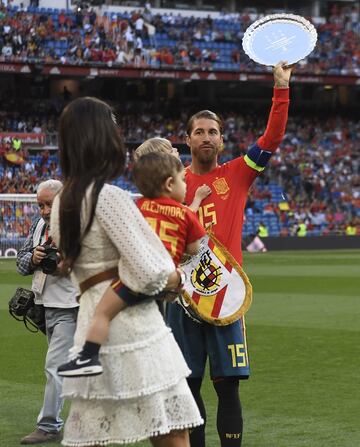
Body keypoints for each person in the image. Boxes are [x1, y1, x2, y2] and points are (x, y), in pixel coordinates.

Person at [49, 96, 203, 447]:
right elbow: (151, 270)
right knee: (172, 431)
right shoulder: (110, 197)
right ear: (102, 137)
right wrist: (175, 280)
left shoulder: (61, 202)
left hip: (90, 324)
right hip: (135, 328)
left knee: (95, 433)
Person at [166, 61, 293, 447]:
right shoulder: (172, 183)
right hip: (182, 297)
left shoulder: (238, 172)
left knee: (228, 388)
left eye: (213, 132)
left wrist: (281, 88)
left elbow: (272, 138)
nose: (207, 137)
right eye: (199, 132)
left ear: (222, 140)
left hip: (226, 296)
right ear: (187, 140)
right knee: (188, 387)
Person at [58, 150, 206, 377]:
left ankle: (88, 354)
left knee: (102, 313)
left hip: (133, 279)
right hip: (162, 280)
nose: (186, 186)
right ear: (169, 184)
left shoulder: (140, 207)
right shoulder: (186, 213)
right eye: (183, 180)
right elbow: (195, 248)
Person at [16, 179, 79, 445]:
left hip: (70, 305)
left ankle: (49, 425)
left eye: (48, 204)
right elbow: (21, 262)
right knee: (67, 367)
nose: (42, 210)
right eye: (40, 204)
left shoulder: (78, 226)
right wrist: (33, 258)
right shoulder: (39, 225)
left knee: (54, 367)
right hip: (45, 305)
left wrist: (66, 263)